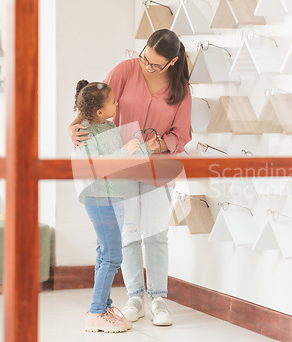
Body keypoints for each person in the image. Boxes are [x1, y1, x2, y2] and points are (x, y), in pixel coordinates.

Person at [69, 29, 192, 326]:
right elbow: (92, 102)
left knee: (156, 234)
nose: (147, 67)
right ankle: (135, 296)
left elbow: (182, 135)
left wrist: (158, 144)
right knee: (131, 233)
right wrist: (73, 126)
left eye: (155, 64)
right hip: (122, 167)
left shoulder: (182, 90)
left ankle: (158, 298)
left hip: (157, 168)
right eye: (145, 58)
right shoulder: (125, 70)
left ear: (172, 62)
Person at [71, 80, 159, 333]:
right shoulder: (83, 132)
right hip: (98, 197)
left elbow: (122, 161)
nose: (117, 103)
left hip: (111, 196)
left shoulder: (108, 126)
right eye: (112, 102)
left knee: (104, 253)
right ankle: (97, 312)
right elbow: (99, 165)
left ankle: (103, 307)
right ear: (99, 111)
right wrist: (129, 150)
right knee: (112, 255)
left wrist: (145, 149)